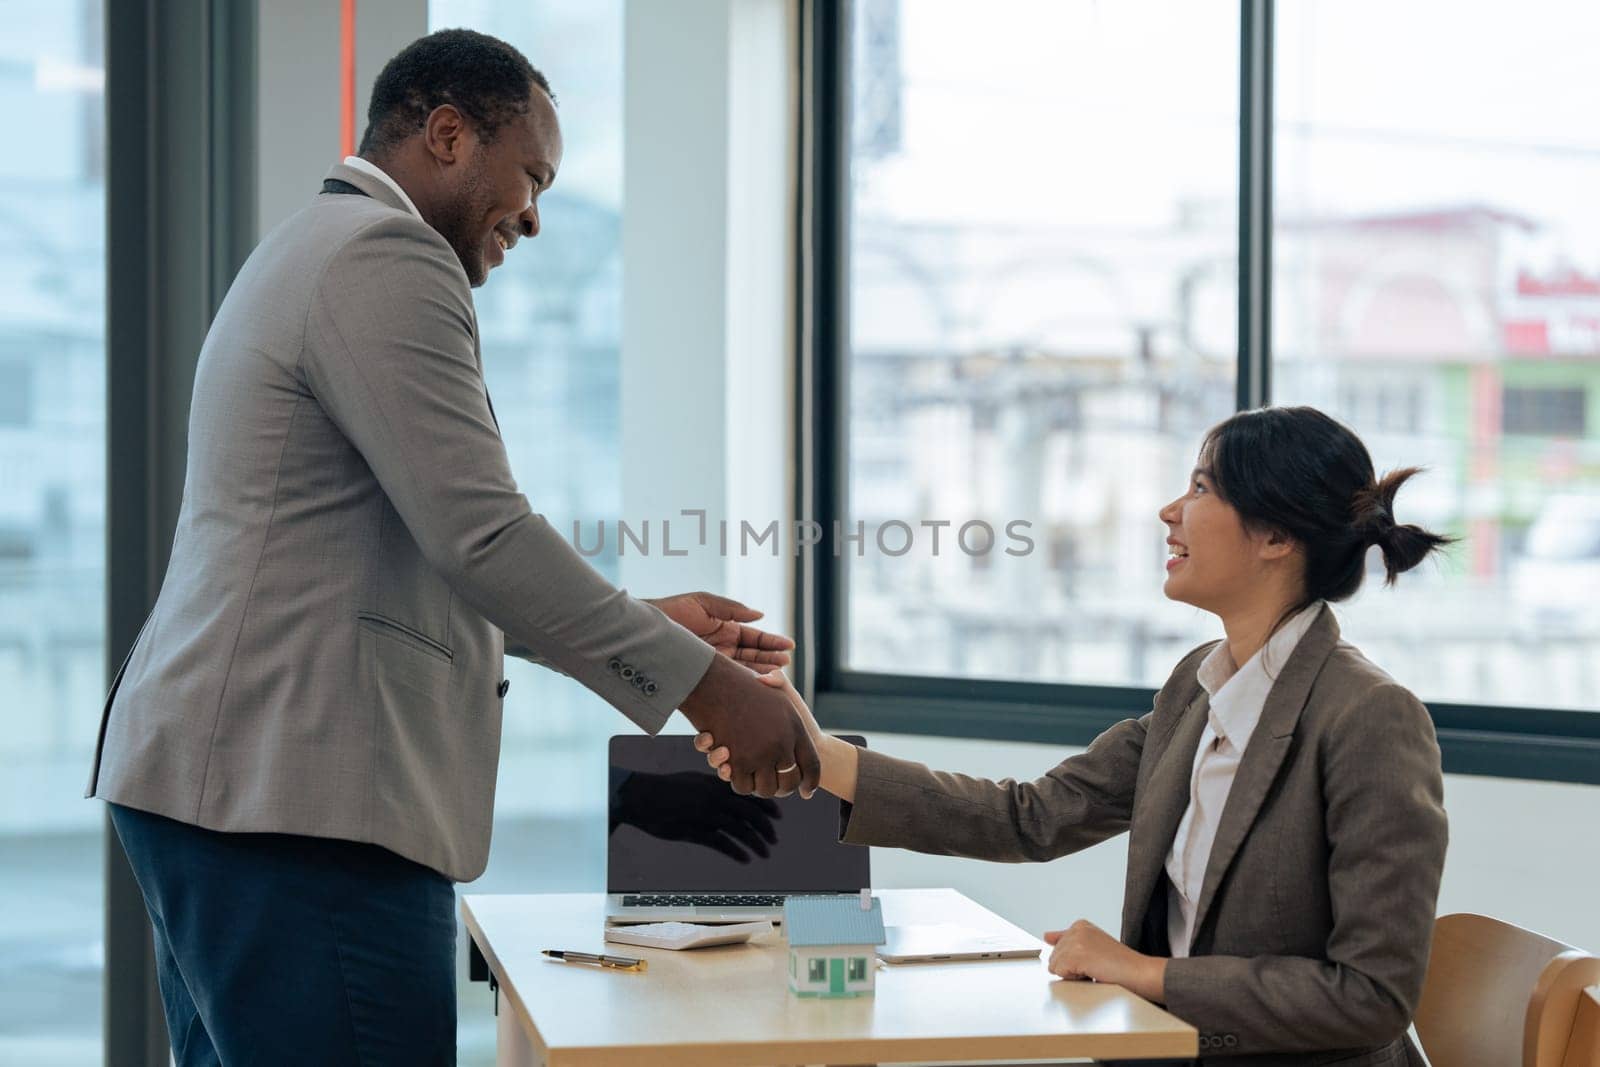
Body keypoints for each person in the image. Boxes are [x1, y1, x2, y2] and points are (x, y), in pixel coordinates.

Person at [85, 29, 817, 1066]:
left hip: (231, 788)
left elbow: (410, 549)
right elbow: (483, 535)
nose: (532, 214)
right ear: (445, 135)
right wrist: (707, 686)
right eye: (530, 176)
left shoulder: (316, 247)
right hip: (293, 806)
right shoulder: (386, 256)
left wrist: (648, 622)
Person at [699, 406, 1452, 1066]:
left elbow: (1369, 996)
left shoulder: (1368, 717)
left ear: (1277, 534)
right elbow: (1028, 815)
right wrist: (814, 748)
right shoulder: (1200, 686)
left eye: (1199, 488)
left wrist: (1141, 971)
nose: (1169, 511)